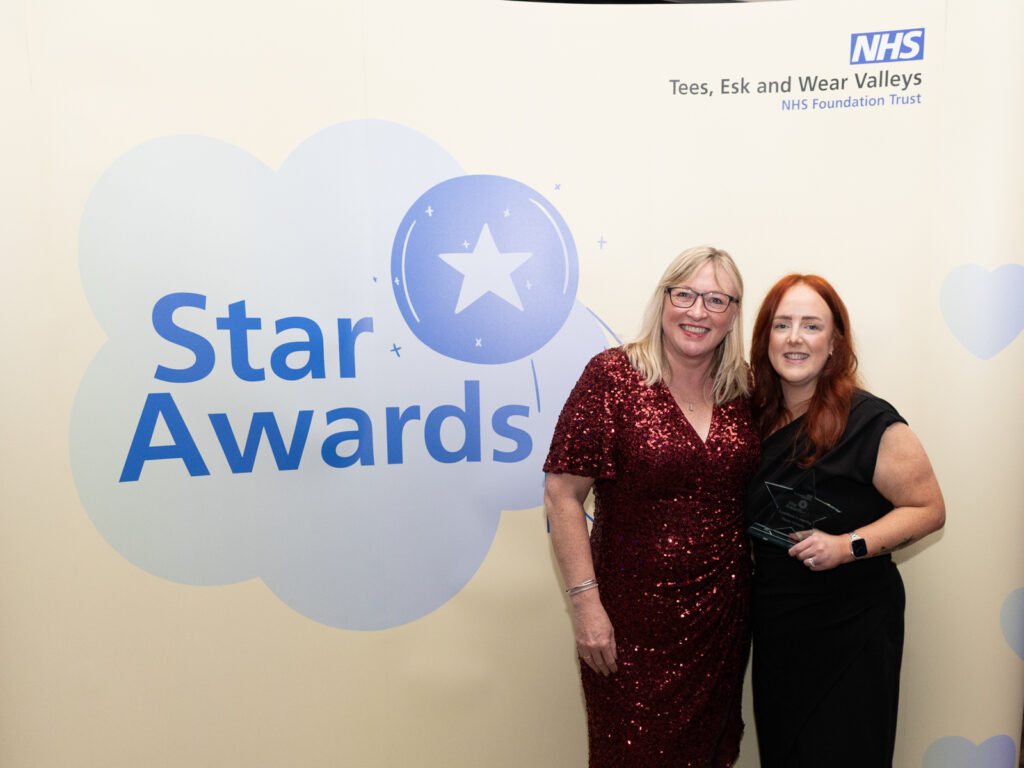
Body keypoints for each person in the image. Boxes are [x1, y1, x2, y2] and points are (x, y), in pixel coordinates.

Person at [543, 246, 761, 767]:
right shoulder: (612, 377)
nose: (697, 311)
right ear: (663, 299)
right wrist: (586, 607)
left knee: (711, 753)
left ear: (733, 315)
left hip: (721, 620)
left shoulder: (746, 388)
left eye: (716, 299)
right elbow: (562, 495)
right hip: (627, 625)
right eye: (684, 294)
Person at [745, 274, 945, 768]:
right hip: (778, 628)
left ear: (834, 343)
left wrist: (846, 546)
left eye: (811, 326)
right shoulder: (750, 419)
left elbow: (928, 509)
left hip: (853, 629)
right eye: (782, 325)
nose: (795, 338)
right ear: (765, 338)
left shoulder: (869, 421)